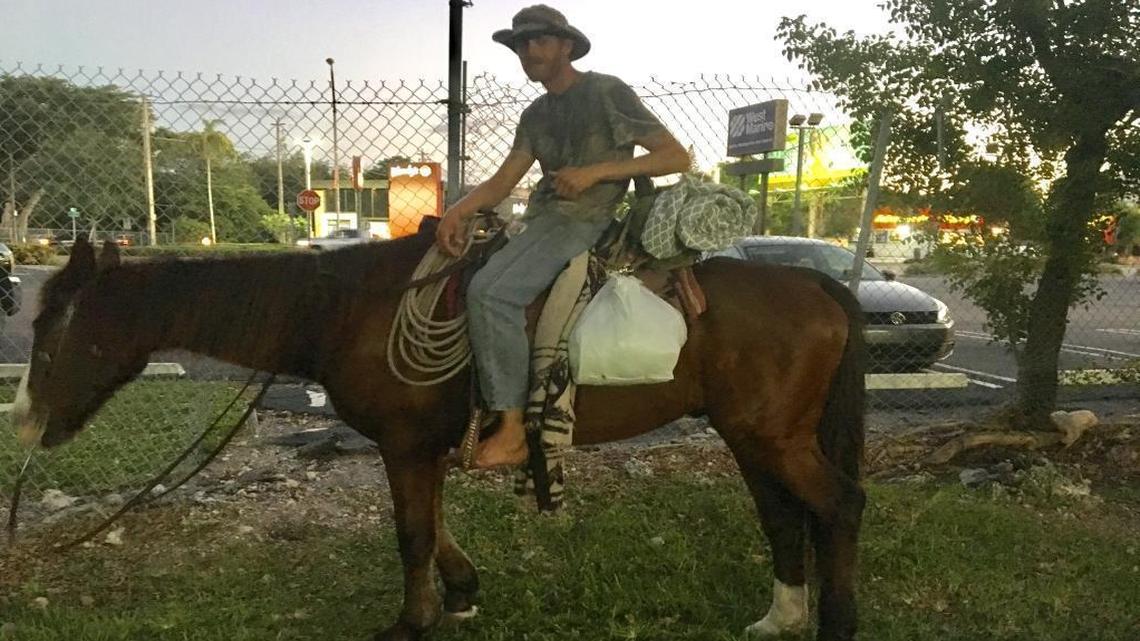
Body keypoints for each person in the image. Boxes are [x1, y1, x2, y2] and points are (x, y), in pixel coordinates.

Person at [436, 4, 690, 468]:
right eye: (520, 44)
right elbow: (502, 181)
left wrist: (597, 172)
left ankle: (511, 430)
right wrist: (456, 211)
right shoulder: (535, 114)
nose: (528, 51)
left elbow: (675, 157)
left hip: (584, 219)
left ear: (566, 46)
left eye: (539, 41)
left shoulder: (606, 92)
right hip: (540, 219)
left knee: (491, 293)